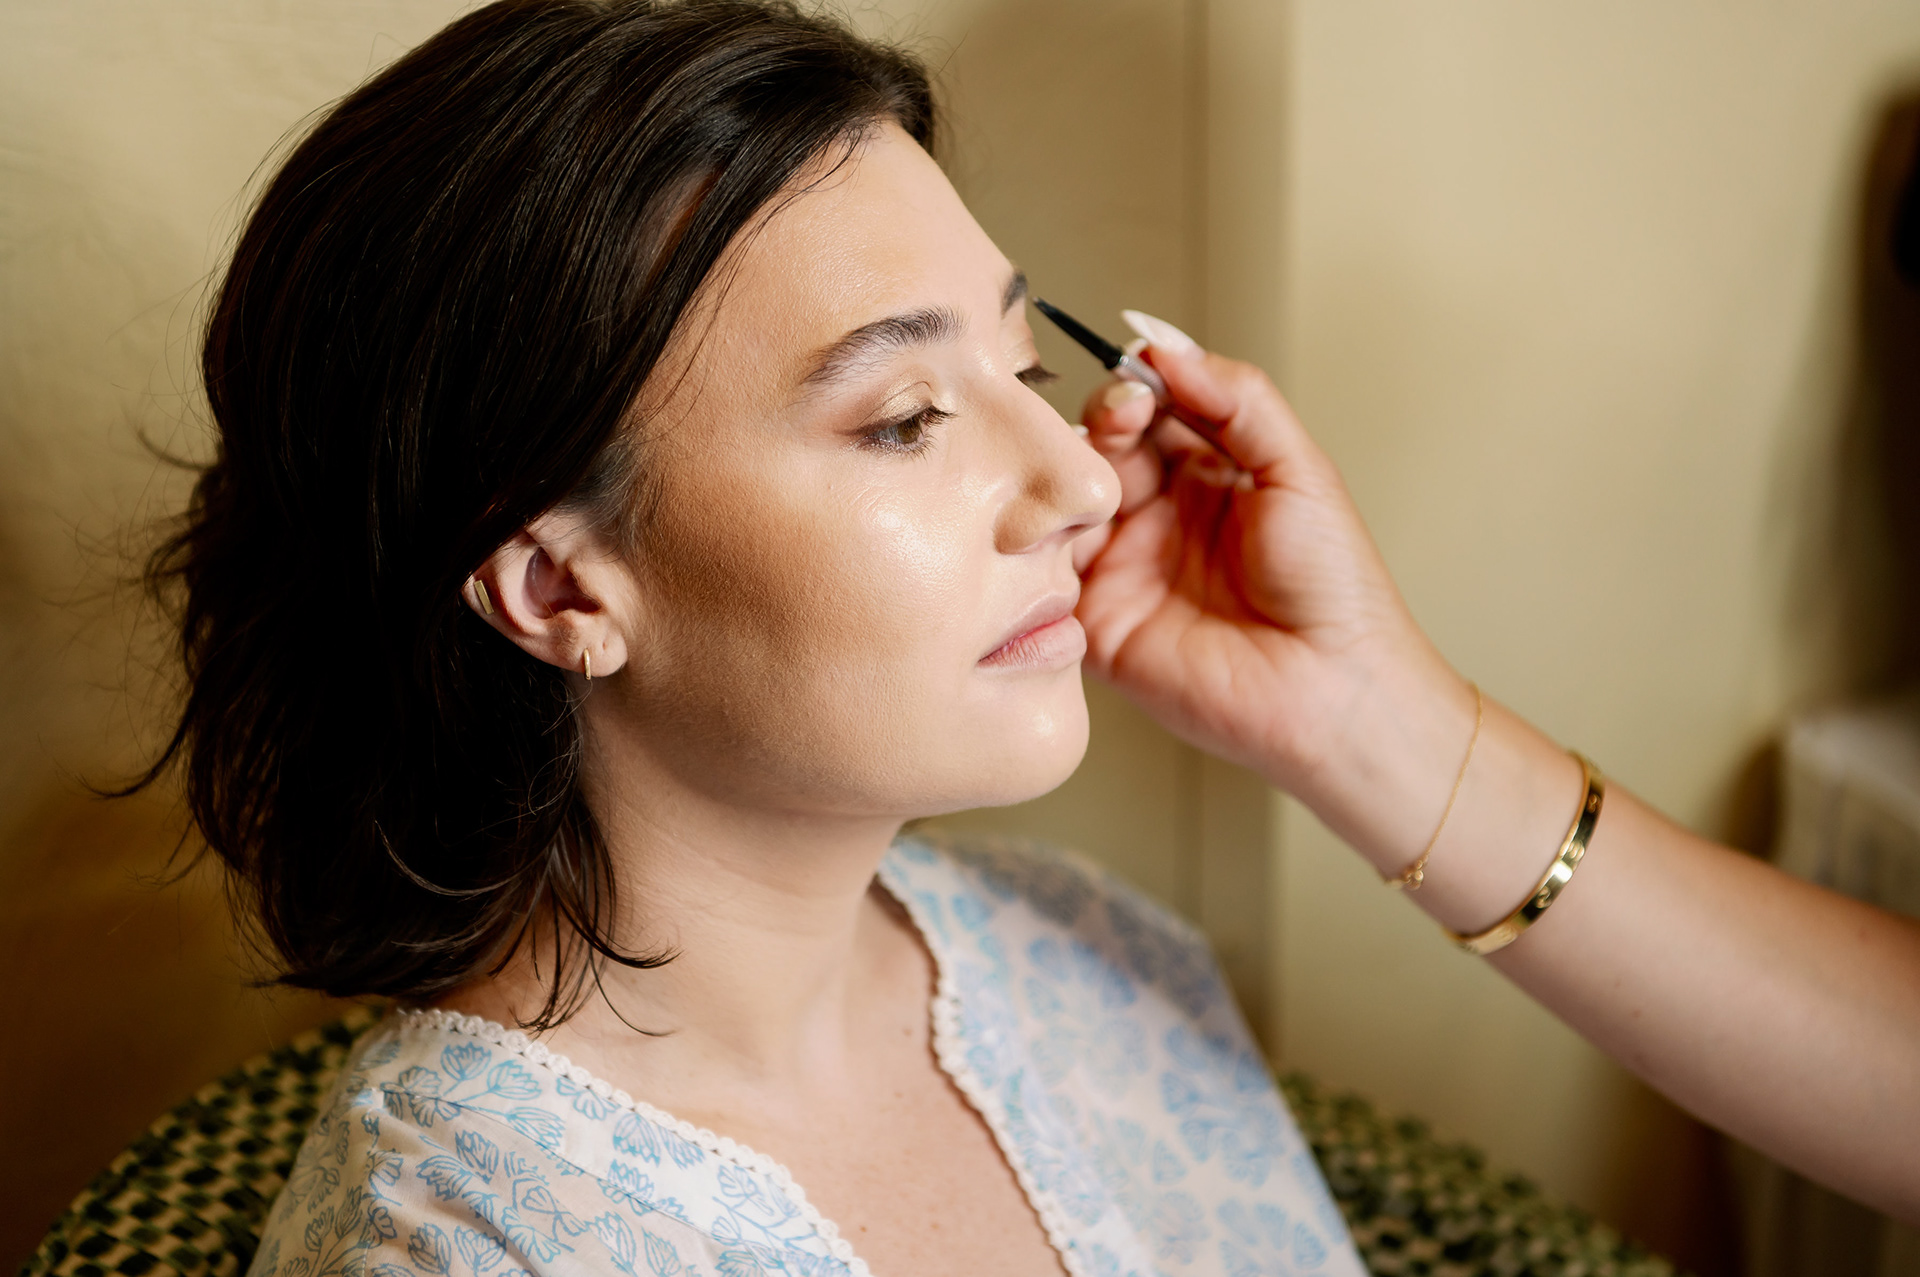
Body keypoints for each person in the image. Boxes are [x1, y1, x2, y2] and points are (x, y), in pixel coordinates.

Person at [144, 3, 1362, 1275]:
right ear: (557, 586)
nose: (1085, 481)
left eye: (1026, 369)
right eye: (906, 418)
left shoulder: (1098, 951)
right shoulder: (458, 1242)